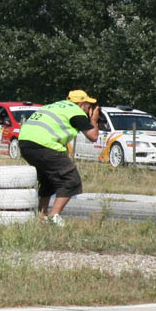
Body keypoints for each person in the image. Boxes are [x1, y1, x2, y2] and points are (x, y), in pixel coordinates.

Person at [17, 89, 100, 226]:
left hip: (25, 143)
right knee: (71, 180)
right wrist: (94, 119)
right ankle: (53, 216)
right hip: (44, 144)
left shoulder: (53, 106)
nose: (89, 109)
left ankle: (41, 216)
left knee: (48, 180)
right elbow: (93, 136)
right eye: (88, 105)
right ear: (81, 104)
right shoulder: (76, 111)